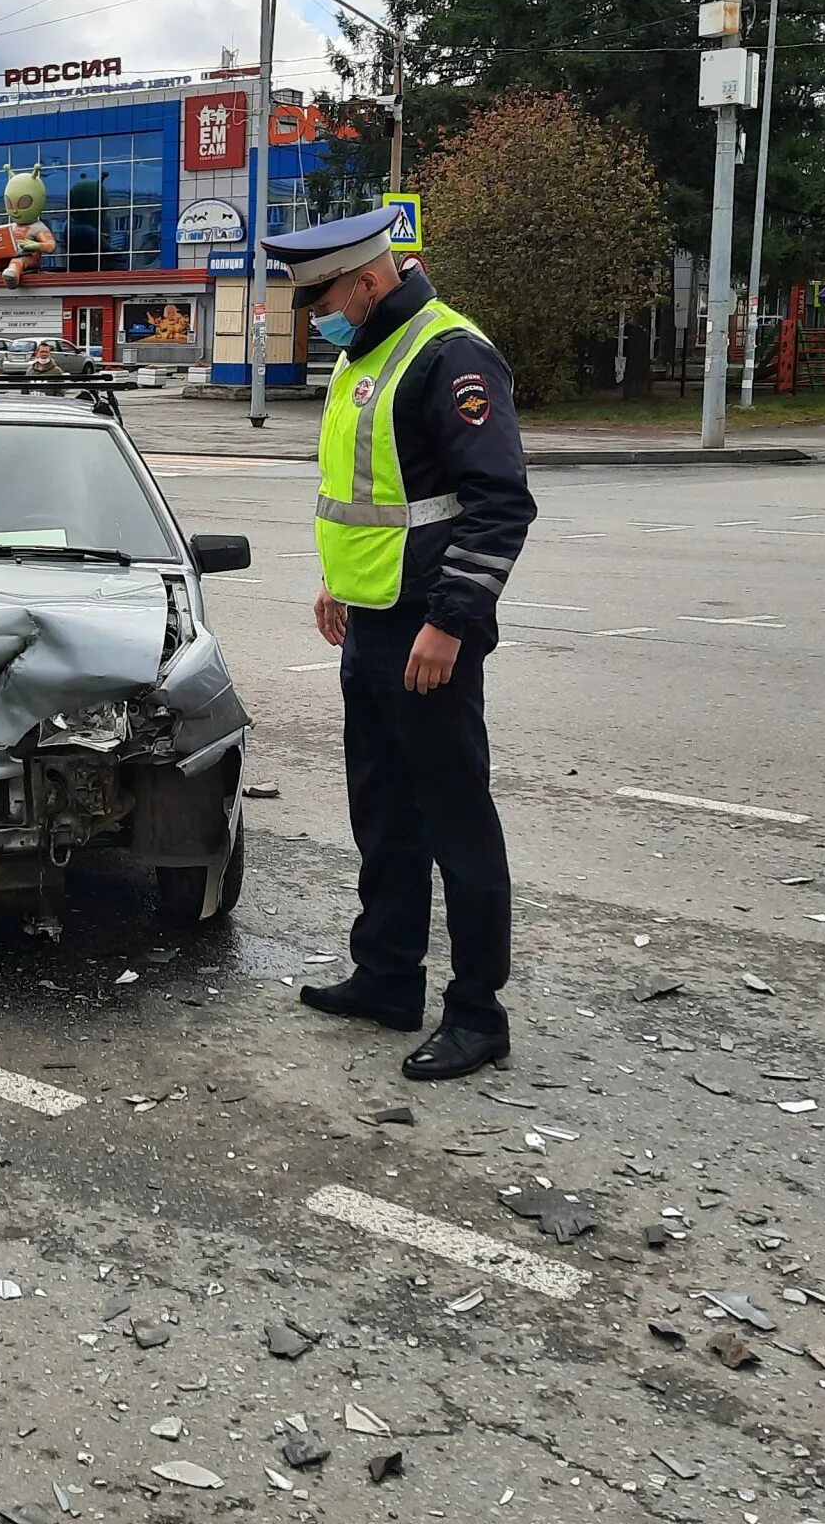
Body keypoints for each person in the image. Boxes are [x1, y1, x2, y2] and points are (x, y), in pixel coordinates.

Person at [269, 208, 537, 1082]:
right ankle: (387, 979)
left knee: (456, 822)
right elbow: (371, 497)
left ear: (370, 281)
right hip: (371, 618)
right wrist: (336, 580)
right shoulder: (367, 356)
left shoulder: (449, 354)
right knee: (384, 814)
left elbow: (499, 504)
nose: (315, 315)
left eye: (323, 297)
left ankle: (477, 1013)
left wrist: (449, 623)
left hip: (429, 630)